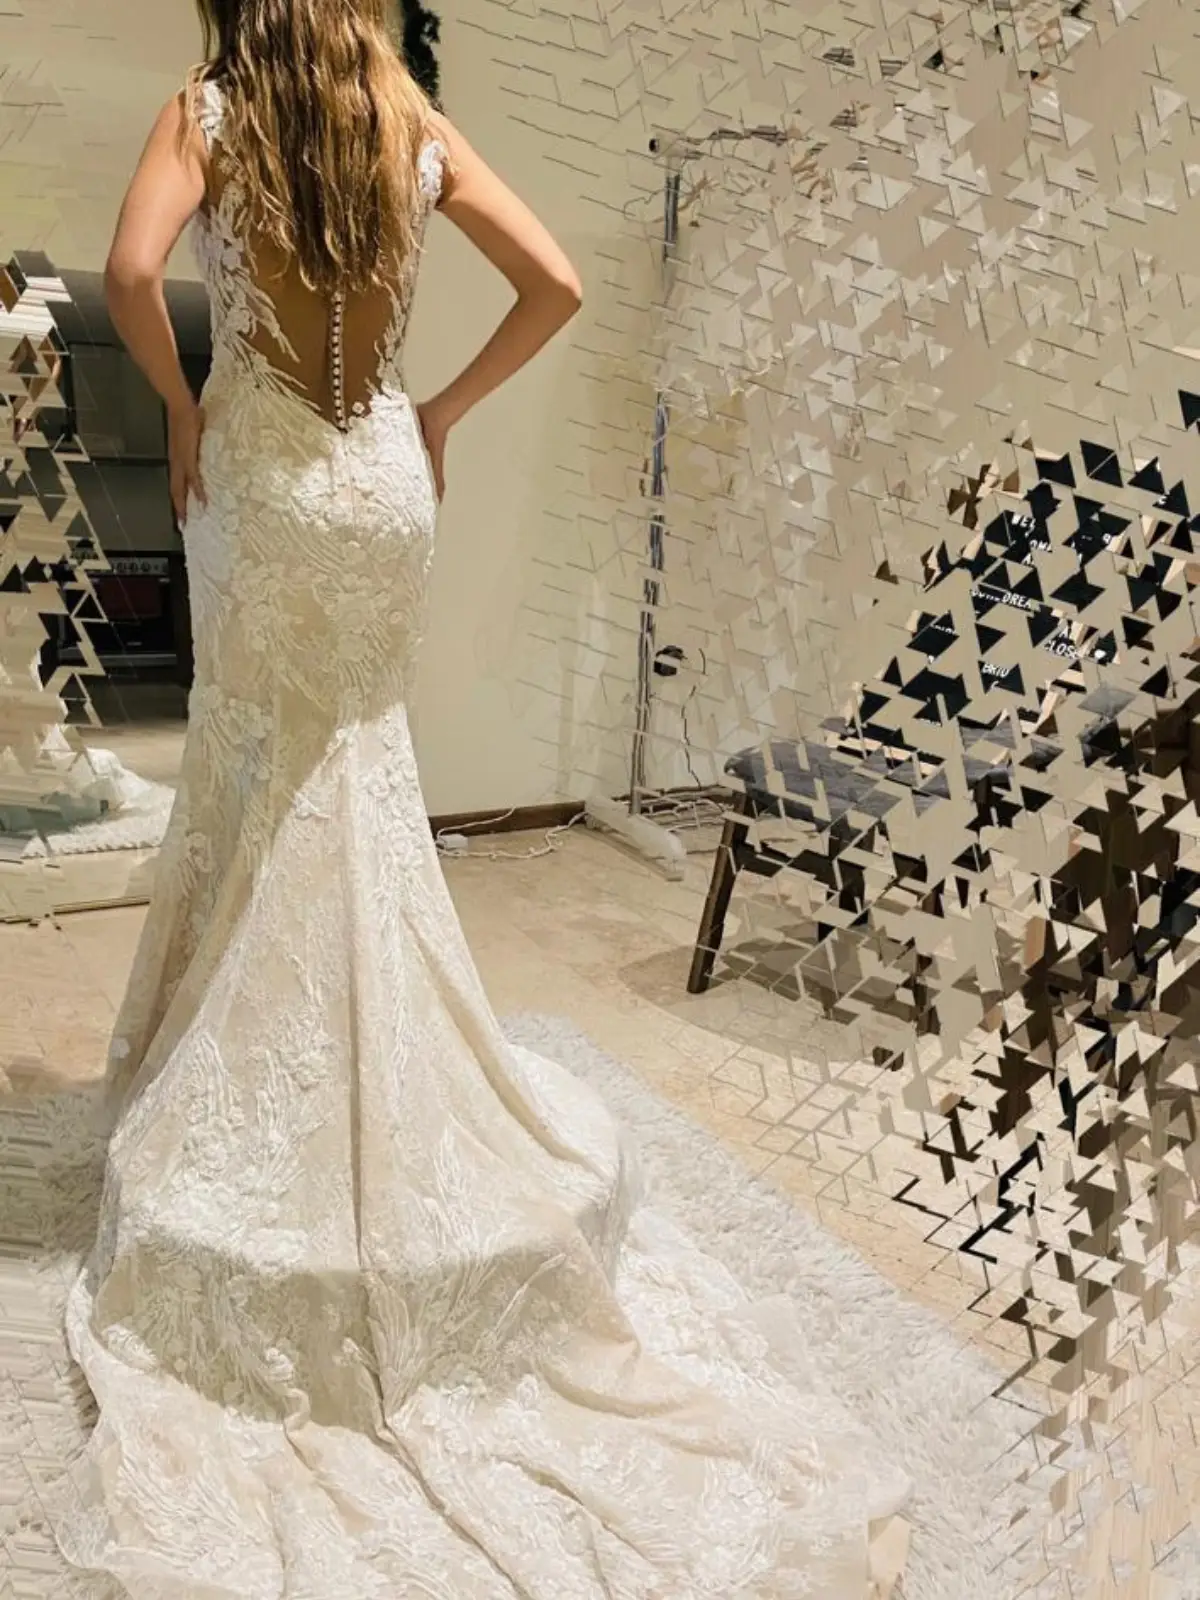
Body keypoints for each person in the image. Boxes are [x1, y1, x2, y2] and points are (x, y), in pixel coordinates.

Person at [56, 2, 913, 1593]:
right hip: (382, 477)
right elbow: (559, 285)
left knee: (257, 760)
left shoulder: (211, 112)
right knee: (358, 762)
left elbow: (124, 273)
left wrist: (180, 405)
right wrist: (438, 410)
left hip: (261, 469)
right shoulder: (411, 125)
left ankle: (247, 1083)